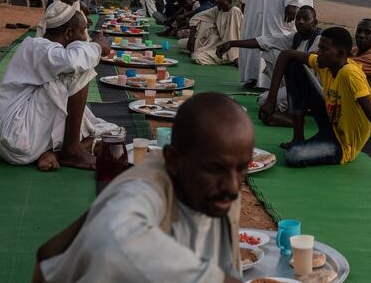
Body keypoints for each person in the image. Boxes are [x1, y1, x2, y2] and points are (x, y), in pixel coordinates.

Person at [33, 93, 252, 283]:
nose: (233, 187)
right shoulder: (144, 186)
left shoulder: (217, 189)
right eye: (215, 168)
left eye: (242, 168)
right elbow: (114, 238)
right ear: (173, 161)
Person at [259, 27, 371, 187]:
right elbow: (286, 54)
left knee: (293, 156)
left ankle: (303, 145)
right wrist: (271, 100)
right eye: (319, 47)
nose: (318, 52)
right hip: (330, 123)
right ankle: (298, 138)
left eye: (323, 49)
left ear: (341, 54)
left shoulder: (350, 75)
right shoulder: (326, 64)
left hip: (343, 145)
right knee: (293, 64)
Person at [0, 7, 117, 171]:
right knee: (78, 70)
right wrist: (98, 47)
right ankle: (72, 150)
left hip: (26, 140)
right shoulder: (37, 46)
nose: (85, 37)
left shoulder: (49, 50)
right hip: (16, 134)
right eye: (83, 31)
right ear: (68, 34)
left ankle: (56, 153)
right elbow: (73, 62)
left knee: (111, 133)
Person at [216, 5, 322, 126]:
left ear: (315, 23)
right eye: (298, 19)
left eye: (305, 19)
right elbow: (263, 41)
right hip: (297, 87)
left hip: (315, 89)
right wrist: (231, 43)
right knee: (270, 52)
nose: (300, 22)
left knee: (268, 100)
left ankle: (297, 113)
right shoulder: (295, 38)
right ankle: (294, 104)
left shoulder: (320, 41)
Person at [180, 0, 244, 65]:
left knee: (196, 57)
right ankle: (204, 50)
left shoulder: (235, 11)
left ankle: (231, 60)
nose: (217, 0)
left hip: (228, 49)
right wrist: (191, 38)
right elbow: (196, 18)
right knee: (181, 43)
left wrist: (234, 57)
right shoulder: (217, 10)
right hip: (216, 43)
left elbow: (233, 36)